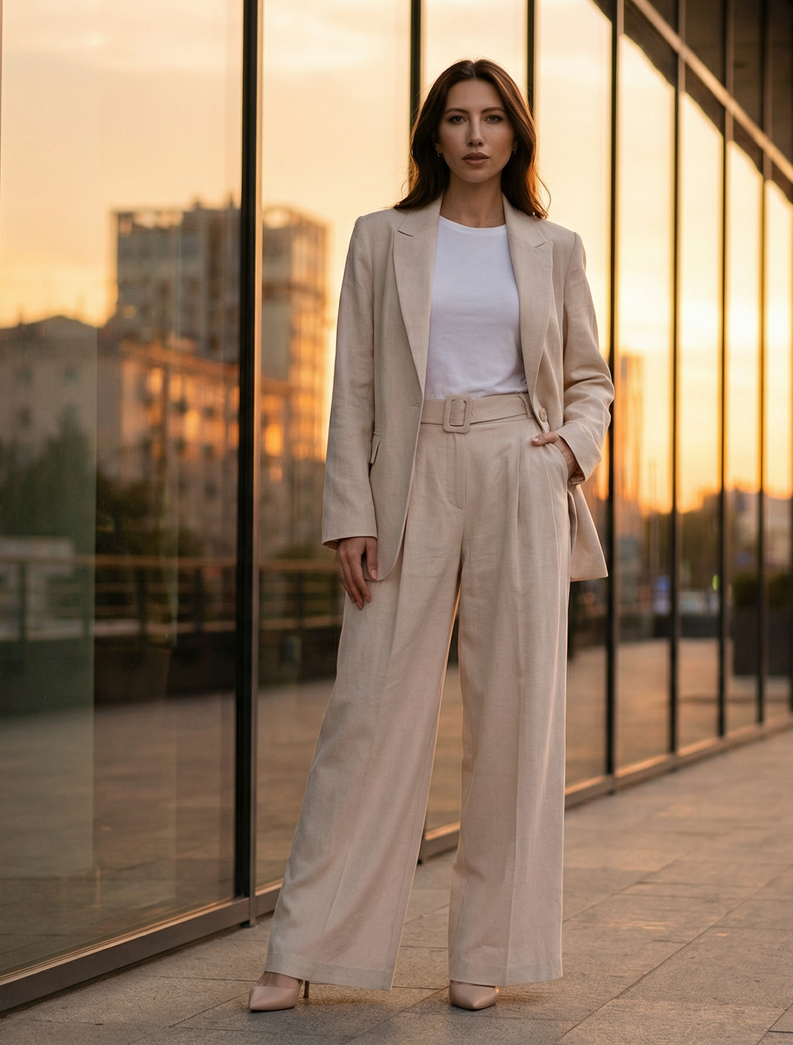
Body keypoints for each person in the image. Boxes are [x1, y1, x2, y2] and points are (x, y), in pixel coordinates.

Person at [249, 59, 613, 1013]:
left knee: (514, 716)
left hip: (516, 466)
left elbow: (591, 380)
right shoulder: (382, 239)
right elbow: (354, 391)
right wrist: (350, 516)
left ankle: (486, 951)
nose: (476, 136)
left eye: (493, 119)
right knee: (367, 711)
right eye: (458, 119)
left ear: (516, 134)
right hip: (410, 478)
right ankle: (302, 948)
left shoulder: (555, 247)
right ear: (434, 135)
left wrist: (563, 456)